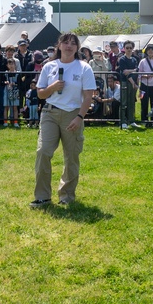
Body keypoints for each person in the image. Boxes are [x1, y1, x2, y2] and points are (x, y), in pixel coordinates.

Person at [31, 32, 97, 208]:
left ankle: (66, 195)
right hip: (50, 113)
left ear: (77, 48)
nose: (69, 46)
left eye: (73, 43)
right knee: (43, 152)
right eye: (65, 42)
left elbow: (88, 96)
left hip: (72, 115)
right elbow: (40, 93)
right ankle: (42, 197)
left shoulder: (84, 68)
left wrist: (79, 117)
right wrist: (52, 87)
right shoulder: (49, 66)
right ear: (59, 46)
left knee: (71, 157)